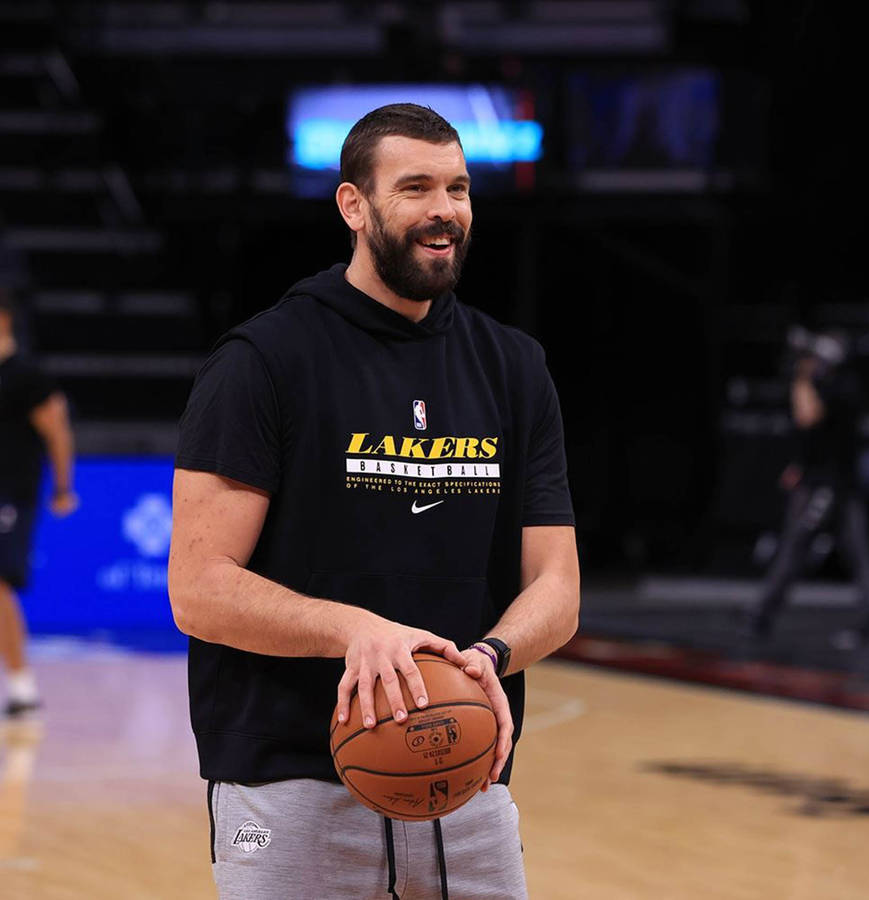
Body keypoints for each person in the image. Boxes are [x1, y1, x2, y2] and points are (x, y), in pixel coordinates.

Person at [168, 103, 580, 900]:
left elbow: (556, 587)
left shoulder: (515, 367)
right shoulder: (265, 360)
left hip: (468, 782)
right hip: (291, 784)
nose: (443, 211)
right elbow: (198, 586)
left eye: (458, 189)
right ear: (354, 207)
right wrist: (354, 629)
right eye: (415, 187)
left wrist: (490, 657)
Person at [745, 330, 869, 642]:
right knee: (851, 548)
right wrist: (799, 466)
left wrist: (801, 379)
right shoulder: (834, 385)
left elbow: (808, 418)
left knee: (800, 545)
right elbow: (814, 440)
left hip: (830, 486)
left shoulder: (842, 388)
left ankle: (763, 611)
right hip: (825, 481)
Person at [0, 289, 78, 718]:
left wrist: (63, 486)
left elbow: (57, 430)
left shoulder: (26, 375)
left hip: (11, 495)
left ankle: (22, 686)